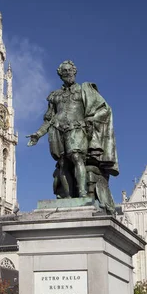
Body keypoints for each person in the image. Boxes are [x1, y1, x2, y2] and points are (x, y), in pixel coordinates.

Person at [27, 60, 118, 209]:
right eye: (65, 72)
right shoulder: (54, 96)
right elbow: (49, 119)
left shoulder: (84, 90)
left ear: (75, 72)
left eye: (70, 71)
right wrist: (38, 134)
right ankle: (67, 197)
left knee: (76, 157)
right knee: (63, 163)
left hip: (77, 129)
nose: (68, 74)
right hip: (57, 130)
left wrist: (91, 119)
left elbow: (105, 109)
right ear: (60, 75)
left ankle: (82, 194)